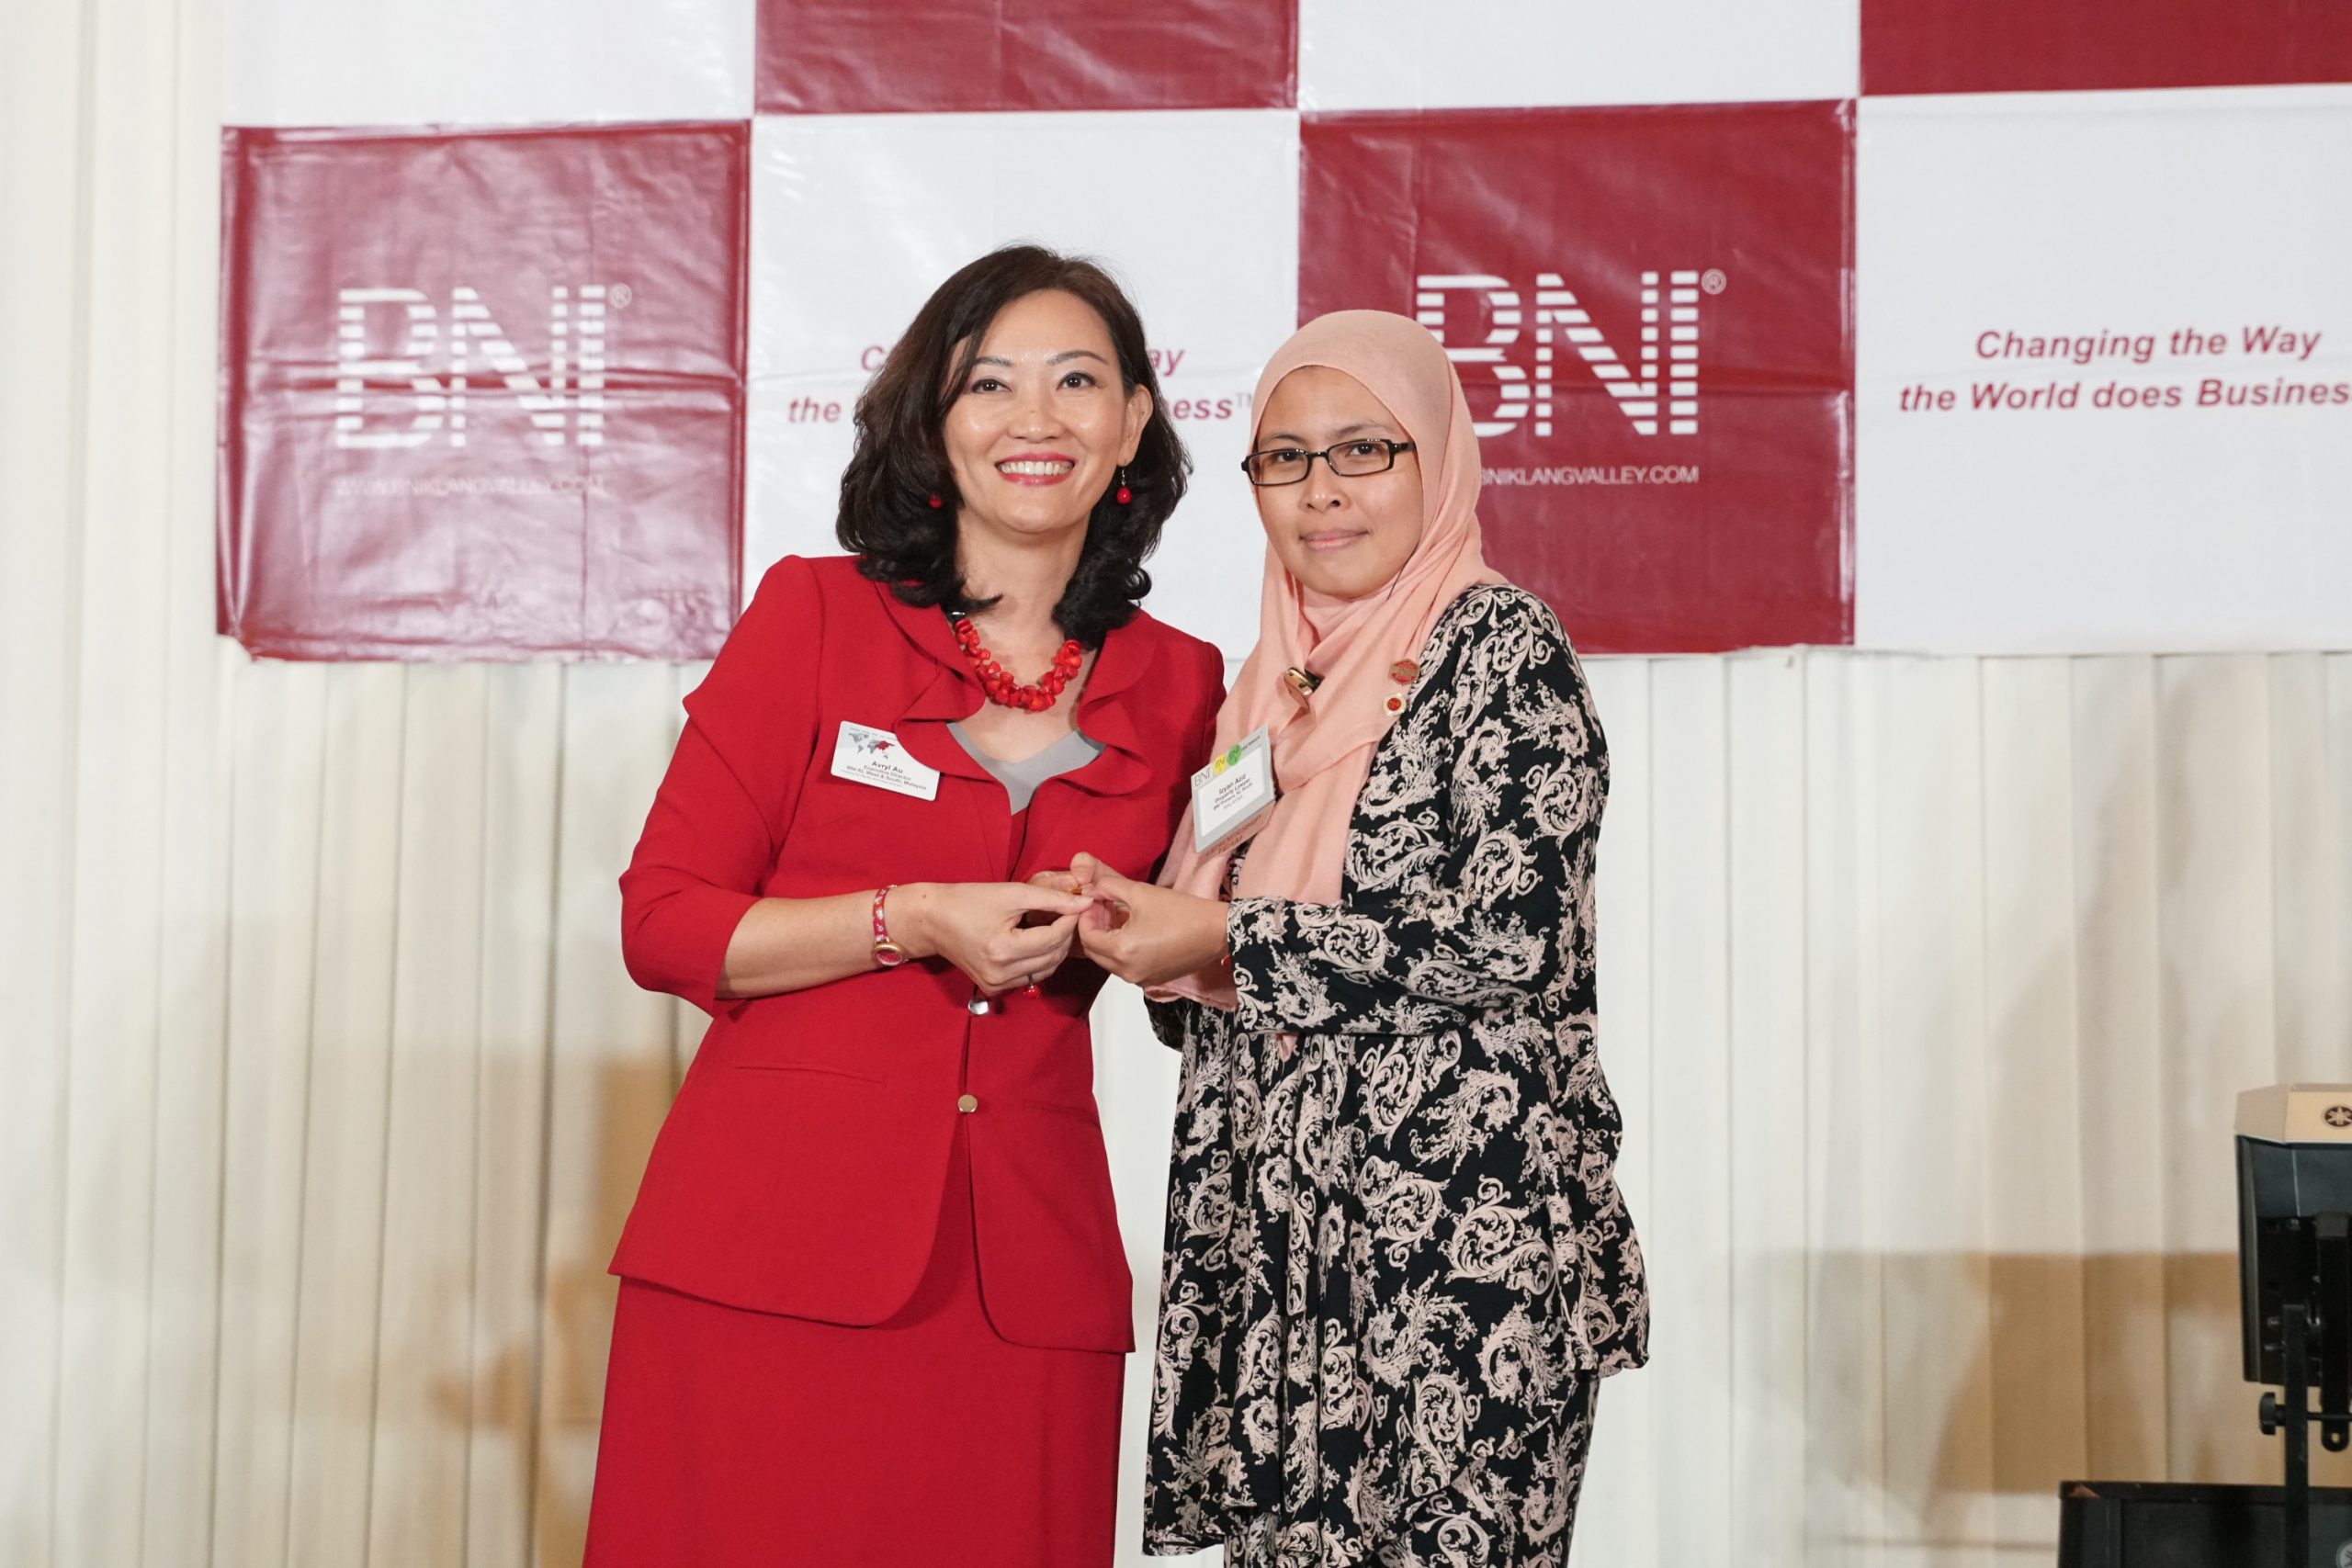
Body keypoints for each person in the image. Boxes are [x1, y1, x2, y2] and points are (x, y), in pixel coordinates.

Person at [582, 244, 1226, 1567]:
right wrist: (914, 916)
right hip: (767, 1252)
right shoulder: (814, 616)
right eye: (990, 383)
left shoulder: (1189, 685)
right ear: (934, 420)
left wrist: (1159, 939)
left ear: (1132, 425)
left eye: (1076, 382)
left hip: (1022, 1281)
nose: (1035, 417)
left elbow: (1196, 974)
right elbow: (665, 922)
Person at [1072, 310, 1650, 1566]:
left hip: (1452, 1246)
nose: (1321, 491)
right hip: (1278, 1244)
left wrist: (1224, 934)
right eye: (1284, 458)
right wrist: (1149, 941)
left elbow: (1507, 940)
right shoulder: (1266, 692)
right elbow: (1222, 982)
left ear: (1437, 460)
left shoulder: (1500, 650)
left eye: (1363, 451)